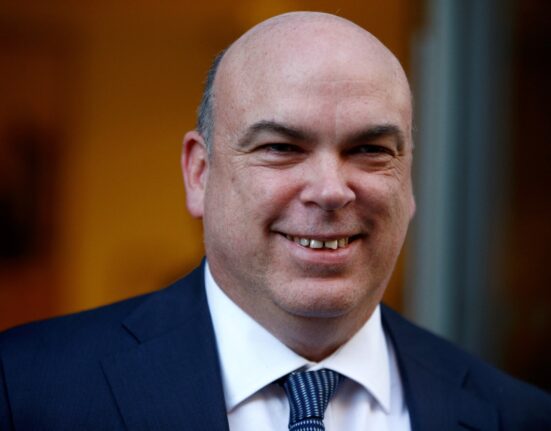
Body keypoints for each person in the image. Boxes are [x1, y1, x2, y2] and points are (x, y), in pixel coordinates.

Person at [0, 11, 549, 431]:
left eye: (370, 150)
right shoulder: (24, 390)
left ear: (409, 182)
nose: (331, 190)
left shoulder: (518, 416)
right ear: (199, 174)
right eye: (282, 147)